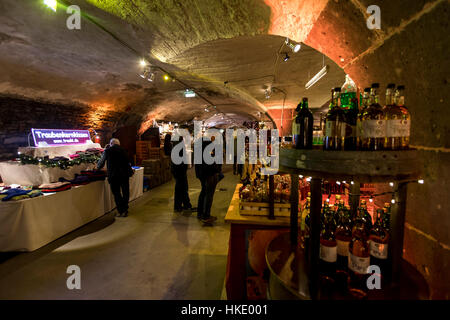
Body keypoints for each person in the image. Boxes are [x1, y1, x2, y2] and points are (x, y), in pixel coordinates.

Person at [97, 138, 134, 217]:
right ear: (119, 144)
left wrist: (97, 168)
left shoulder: (107, 151)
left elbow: (101, 163)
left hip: (114, 175)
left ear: (111, 143)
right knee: (125, 192)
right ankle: (125, 209)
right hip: (124, 175)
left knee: (116, 193)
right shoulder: (124, 150)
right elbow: (129, 162)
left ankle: (121, 210)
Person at [195, 138, 222, 225]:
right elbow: (210, 164)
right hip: (208, 175)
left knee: (203, 193)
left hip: (202, 174)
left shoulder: (200, 147)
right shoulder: (207, 149)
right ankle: (206, 216)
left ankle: (200, 213)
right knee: (208, 195)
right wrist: (217, 169)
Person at [171, 136, 195, 213]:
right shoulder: (179, 148)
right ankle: (178, 206)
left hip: (178, 171)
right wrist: (184, 168)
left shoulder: (175, 147)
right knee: (180, 189)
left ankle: (186, 205)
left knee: (183, 188)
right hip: (180, 171)